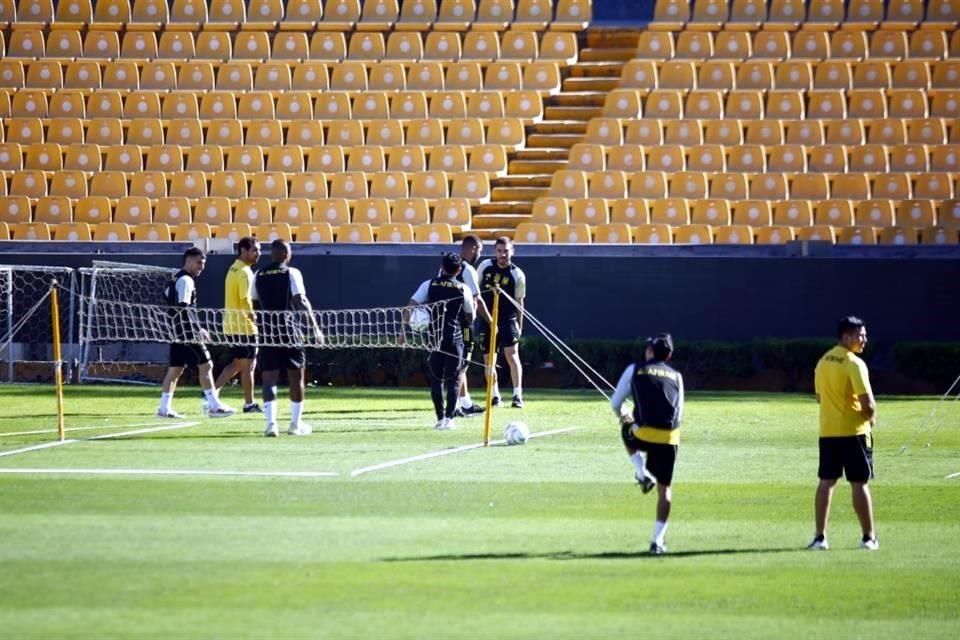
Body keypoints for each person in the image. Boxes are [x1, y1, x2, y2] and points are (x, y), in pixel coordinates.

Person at [610, 333, 684, 555]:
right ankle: (657, 541)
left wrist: (624, 415)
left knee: (626, 430)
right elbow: (680, 412)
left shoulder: (635, 369)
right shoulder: (677, 376)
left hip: (642, 433)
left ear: (650, 351)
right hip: (670, 438)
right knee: (665, 491)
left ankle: (642, 473)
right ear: (669, 355)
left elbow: (616, 403)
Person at [809, 316, 879, 551]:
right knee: (859, 484)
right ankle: (869, 538)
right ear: (846, 337)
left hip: (828, 432)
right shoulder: (854, 363)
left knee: (826, 482)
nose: (864, 340)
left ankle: (820, 537)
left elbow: (819, 398)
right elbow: (867, 404)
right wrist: (871, 419)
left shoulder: (823, 361)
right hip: (854, 432)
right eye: (860, 335)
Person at [157, 247, 235, 419]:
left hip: (176, 331)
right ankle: (214, 406)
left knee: (175, 370)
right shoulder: (186, 281)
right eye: (199, 262)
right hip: (186, 333)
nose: (202, 267)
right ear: (189, 260)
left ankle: (164, 408)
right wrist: (196, 329)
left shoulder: (174, 280)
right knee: (206, 366)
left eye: (204, 263)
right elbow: (183, 308)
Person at [254, 240, 322, 438]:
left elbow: (254, 304)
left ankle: (271, 425)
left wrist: (264, 323)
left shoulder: (259, 274)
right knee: (296, 376)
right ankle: (294, 424)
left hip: (267, 331)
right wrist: (314, 327)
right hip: (289, 330)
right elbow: (300, 300)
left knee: (269, 379)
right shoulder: (292, 273)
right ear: (284, 253)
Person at [408, 252, 476, 431]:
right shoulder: (463, 289)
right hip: (455, 339)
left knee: (436, 379)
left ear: (441, 267)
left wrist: (403, 331)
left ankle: (439, 418)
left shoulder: (429, 284)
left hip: (434, 338)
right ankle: (449, 419)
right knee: (454, 379)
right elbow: (470, 316)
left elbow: (411, 304)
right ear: (459, 269)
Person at [212, 236, 262, 414]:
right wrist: (253, 317)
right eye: (255, 250)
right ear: (243, 250)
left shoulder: (233, 269)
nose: (258, 254)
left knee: (237, 364)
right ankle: (249, 404)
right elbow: (244, 300)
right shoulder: (244, 272)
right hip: (243, 326)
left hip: (231, 325)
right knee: (248, 365)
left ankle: (211, 396)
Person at [477, 236, 526, 408]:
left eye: (506, 251)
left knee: (512, 356)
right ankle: (495, 396)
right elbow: (475, 292)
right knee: (489, 360)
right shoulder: (485, 266)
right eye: (499, 251)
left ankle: (517, 395)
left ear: (512, 252)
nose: (502, 254)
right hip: (487, 319)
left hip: (508, 319)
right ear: (494, 251)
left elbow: (519, 302)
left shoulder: (517, 274)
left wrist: (519, 325)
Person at [453, 235, 491, 417]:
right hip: (465, 323)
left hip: (448, 322)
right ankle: (455, 406)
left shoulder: (448, 265)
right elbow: (478, 299)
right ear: (474, 248)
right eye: (480, 251)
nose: (480, 255)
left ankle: (465, 403)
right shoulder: (467, 270)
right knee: (463, 362)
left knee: (459, 363)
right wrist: (491, 322)